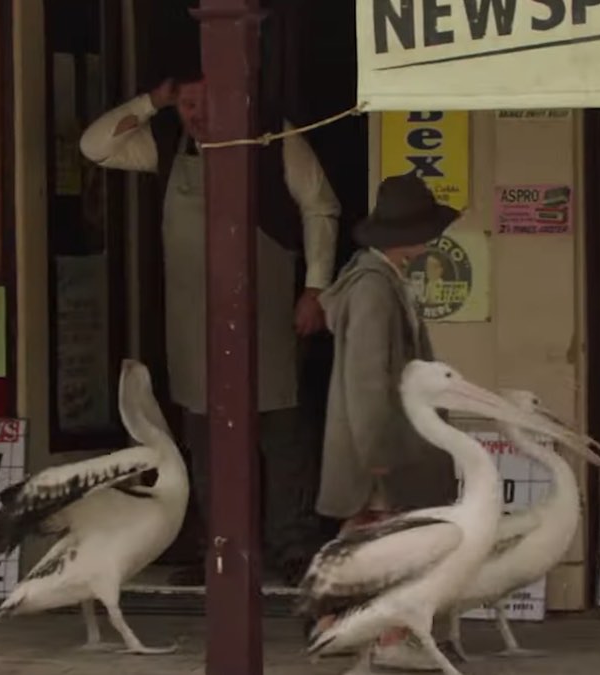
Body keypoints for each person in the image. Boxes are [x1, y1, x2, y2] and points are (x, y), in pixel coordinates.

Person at [79, 65, 339, 584]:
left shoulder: (272, 136)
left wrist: (315, 287)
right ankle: (218, 548)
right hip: (193, 317)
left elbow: (320, 207)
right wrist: (151, 103)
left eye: (203, 103)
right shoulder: (166, 144)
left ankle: (291, 546)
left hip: (265, 308)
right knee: (204, 437)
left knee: (282, 434)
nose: (194, 116)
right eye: (186, 105)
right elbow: (95, 147)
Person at [315, 174, 458, 668]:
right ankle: (388, 634)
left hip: (380, 438)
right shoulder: (375, 289)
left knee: (362, 537)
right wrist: (377, 451)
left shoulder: (379, 279)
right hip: (381, 441)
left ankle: (338, 625)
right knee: (392, 538)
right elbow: (368, 379)